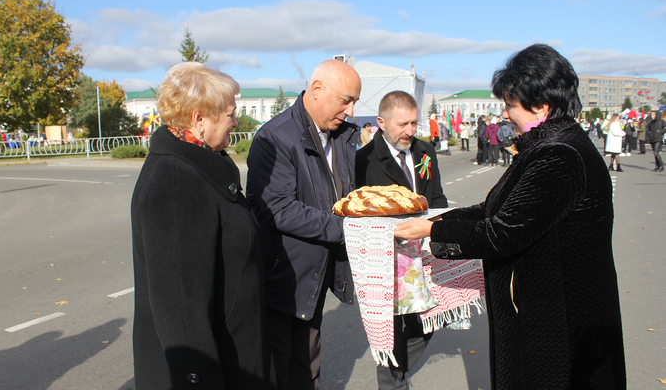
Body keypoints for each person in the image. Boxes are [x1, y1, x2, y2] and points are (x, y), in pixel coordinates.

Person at [394, 44, 626, 389]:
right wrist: (437, 222)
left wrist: (431, 230)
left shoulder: (558, 155)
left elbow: (502, 232)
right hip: (546, 309)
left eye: (510, 105)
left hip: (554, 318)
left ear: (541, 106)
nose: (504, 114)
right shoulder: (548, 146)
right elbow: (497, 209)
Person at [131, 62, 275, 389]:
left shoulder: (199, 164)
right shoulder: (176, 183)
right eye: (230, 114)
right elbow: (181, 308)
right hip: (215, 367)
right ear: (200, 119)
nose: (236, 122)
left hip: (235, 350)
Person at [246, 59, 361, 390]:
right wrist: (350, 230)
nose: (351, 110)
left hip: (315, 274)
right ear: (317, 89)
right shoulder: (276, 137)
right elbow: (278, 209)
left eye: (354, 101)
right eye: (346, 99)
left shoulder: (339, 135)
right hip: (284, 278)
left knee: (307, 365)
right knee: (280, 370)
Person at [355, 90, 447, 389]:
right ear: (381, 122)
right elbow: (358, 209)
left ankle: (398, 369)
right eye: (402, 124)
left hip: (424, 252)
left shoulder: (424, 151)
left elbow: (437, 196)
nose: (409, 131)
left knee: (433, 316)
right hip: (387, 258)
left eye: (414, 123)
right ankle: (393, 381)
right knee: (390, 331)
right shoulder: (363, 160)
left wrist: (443, 225)